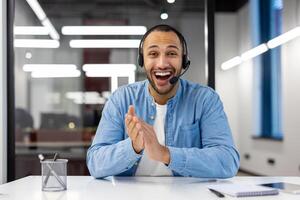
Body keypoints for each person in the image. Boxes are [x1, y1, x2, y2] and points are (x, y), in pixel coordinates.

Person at [87, 24, 240, 178]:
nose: (162, 64)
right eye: (153, 53)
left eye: (171, 53)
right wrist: (132, 147)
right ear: (142, 60)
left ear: (184, 61)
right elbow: (95, 163)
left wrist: (166, 154)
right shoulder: (121, 99)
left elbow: (227, 162)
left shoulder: (205, 99)